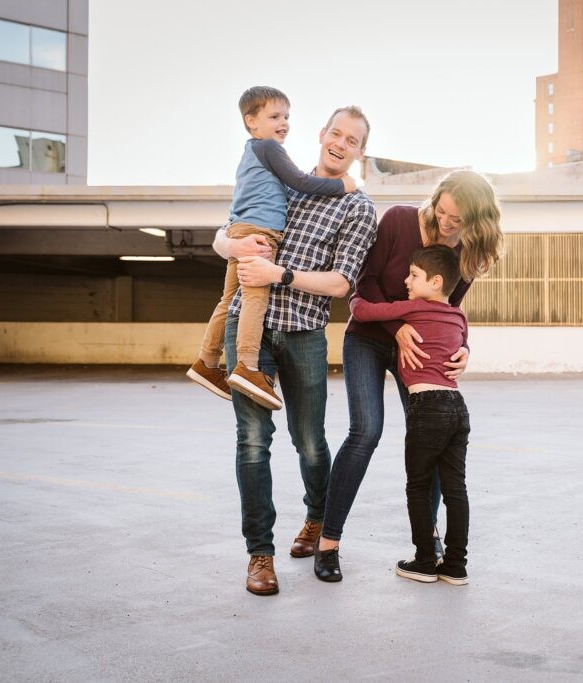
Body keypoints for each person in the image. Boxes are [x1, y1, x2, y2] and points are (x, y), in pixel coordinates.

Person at [212, 106, 377, 596]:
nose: (341, 143)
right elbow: (227, 231)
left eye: (352, 140)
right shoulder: (280, 178)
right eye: (336, 133)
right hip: (251, 327)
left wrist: (278, 274)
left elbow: (343, 283)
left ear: (359, 151)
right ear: (322, 134)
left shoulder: (357, 206)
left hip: (304, 332)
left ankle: (315, 520)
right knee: (252, 441)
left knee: (309, 441)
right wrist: (233, 249)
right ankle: (259, 555)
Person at [313, 170, 503, 583]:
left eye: (457, 219)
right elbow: (364, 286)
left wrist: (464, 348)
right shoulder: (399, 220)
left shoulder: (467, 254)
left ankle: (427, 543)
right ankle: (328, 542)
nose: (446, 223)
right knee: (365, 432)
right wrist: (398, 325)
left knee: (431, 435)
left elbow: (449, 313)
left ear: (477, 220)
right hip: (369, 337)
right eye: (442, 211)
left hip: (415, 349)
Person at [187, 86, 357, 411]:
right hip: (260, 233)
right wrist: (343, 185)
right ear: (251, 121)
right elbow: (302, 182)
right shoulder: (269, 148)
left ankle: (206, 362)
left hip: (242, 228)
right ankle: (248, 369)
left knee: (228, 299)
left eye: (287, 117)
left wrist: (233, 242)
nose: (284, 123)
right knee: (255, 296)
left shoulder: (251, 152)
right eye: (275, 116)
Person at [349, 245, 472, 586]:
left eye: (413, 275)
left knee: (418, 486)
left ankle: (424, 561)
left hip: (426, 406)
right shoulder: (459, 316)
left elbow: (360, 309)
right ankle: (456, 565)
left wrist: (384, 313)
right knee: (455, 489)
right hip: (457, 407)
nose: (406, 280)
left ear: (435, 282)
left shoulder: (414, 308)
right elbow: (461, 341)